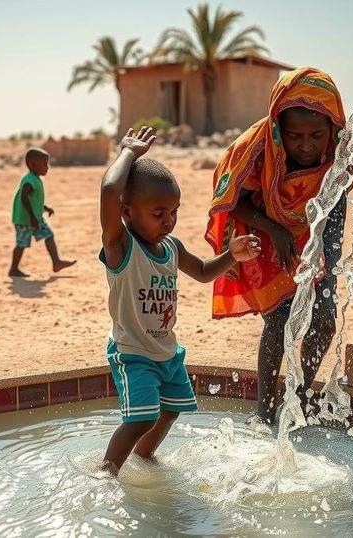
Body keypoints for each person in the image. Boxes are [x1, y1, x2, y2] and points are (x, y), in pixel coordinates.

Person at [99, 127, 261, 476]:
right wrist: (128, 152)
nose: (168, 221)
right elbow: (110, 190)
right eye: (158, 214)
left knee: (169, 411)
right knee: (141, 417)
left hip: (167, 352)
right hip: (133, 352)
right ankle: (106, 472)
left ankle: (143, 459)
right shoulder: (121, 247)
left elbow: (203, 271)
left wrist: (231, 255)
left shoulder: (171, 248)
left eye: (174, 212)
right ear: (127, 213)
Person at [205, 67, 349, 424]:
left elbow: (337, 207)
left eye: (316, 135)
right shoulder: (254, 149)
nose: (305, 145)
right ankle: (266, 410)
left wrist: (324, 258)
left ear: (332, 128)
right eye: (294, 136)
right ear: (277, 129)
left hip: (315, 231)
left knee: (325, 319)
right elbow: (229, 199)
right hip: (263, 229)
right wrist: (274, 230)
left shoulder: (341, 153)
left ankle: (299, 398)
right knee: (280, 318)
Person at [8, 147, 76, 277]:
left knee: (49, 235)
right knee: (21, 244)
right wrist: (32, 218)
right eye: (45, 164)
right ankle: (13, 269)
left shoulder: (36, 179)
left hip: (35, 217)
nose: (48, 167)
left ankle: (56, 262)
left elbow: (34, 200)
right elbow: (24, 198)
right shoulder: (28, 180)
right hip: (24, 219)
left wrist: (45, 208)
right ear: (33, 165)